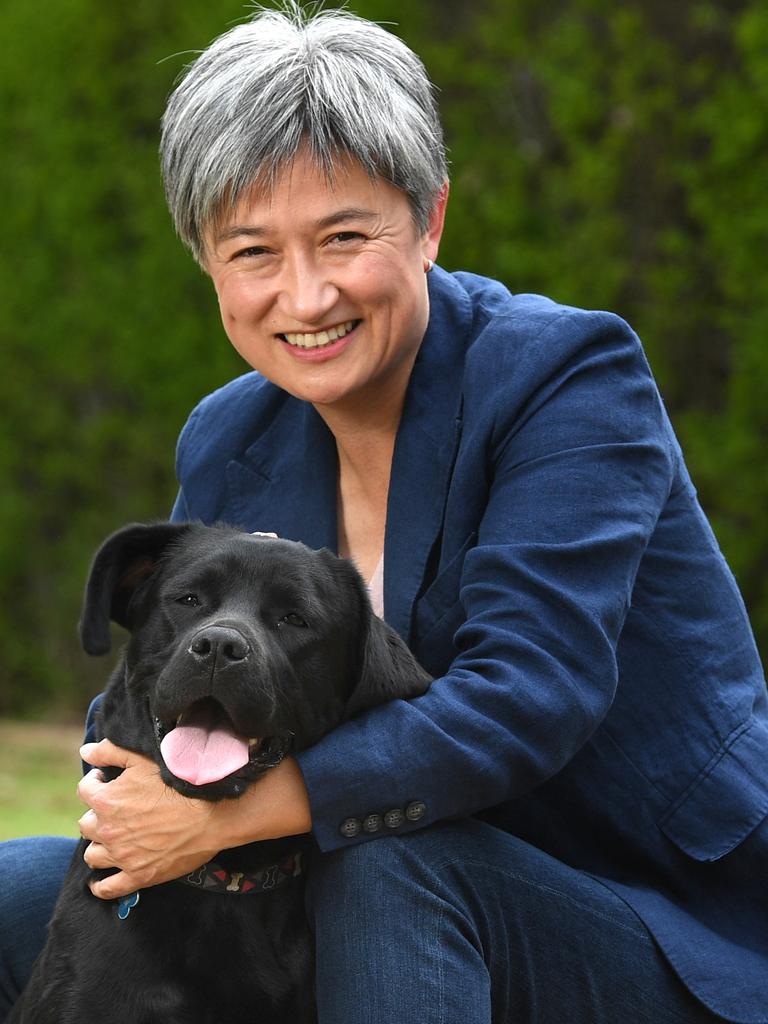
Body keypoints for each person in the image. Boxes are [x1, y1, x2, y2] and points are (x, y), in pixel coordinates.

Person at [1, 4, 767, 1022]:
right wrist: (146, 784)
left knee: (389, 868)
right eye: (253, 252)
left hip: (651, 923)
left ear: (431, 219)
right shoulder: (233, 436)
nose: (305, 296)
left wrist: (248, 813)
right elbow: (165, 675)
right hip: (347, 876)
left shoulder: (565, 379)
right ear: (205, 261)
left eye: (344, 237)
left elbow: (528, 693)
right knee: (19, 886)